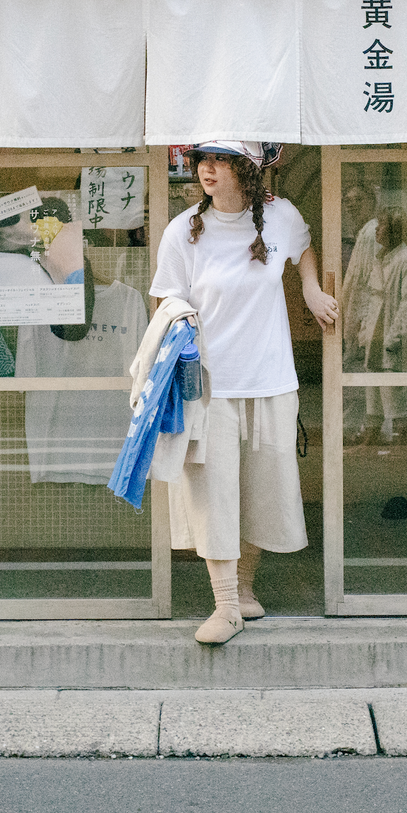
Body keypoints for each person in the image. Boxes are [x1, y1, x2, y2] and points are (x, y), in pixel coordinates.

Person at [148, 140, 338, 645]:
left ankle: (246, 590)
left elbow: (303, 250)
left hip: (271, 380)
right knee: (213, 492)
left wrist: (311, 288)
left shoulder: (281, 217)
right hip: (209, 387)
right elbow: (163, 298)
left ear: (247, 169)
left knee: (260, 490)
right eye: (203, 160)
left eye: (222, 159)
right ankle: (226, 605)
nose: (208, 169)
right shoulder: (182, 231)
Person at [345, 207, 407, 442]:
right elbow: (371, 298)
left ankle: (402, 448)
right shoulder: (380, 258)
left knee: (397, 397)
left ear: (394, 231)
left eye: (381, 226)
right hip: (376, 338)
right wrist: (365, 333)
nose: (377, 230)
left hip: (393, 342)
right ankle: (369, 442)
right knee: (374, 395)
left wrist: (393, 340)